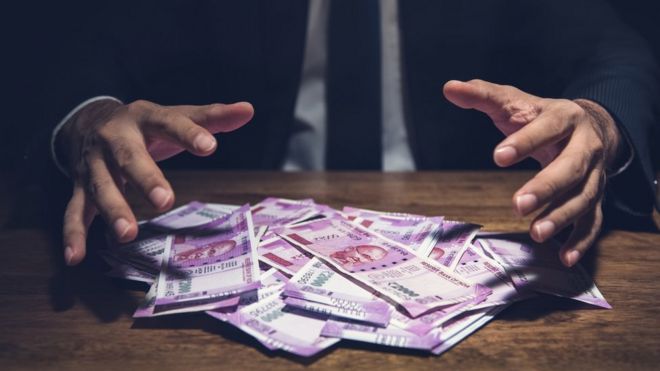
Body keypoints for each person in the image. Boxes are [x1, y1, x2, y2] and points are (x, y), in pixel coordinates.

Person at [35, 1, 659, 268]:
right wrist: (88, 115)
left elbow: (615, 51)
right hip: (225, 222)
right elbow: (82, 43)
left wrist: (599, 120)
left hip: (477, 219)